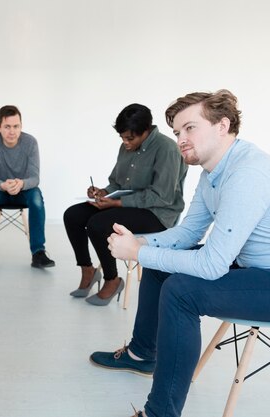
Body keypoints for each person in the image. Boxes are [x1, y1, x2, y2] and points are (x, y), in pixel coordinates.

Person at [91, 90, 270, 417]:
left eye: (190, 128)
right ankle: (142, 354)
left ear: (222, 126)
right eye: (177, 132)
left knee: (182, 292)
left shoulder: (248, 175)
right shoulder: (212, 173)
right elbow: (186, 234)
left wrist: (139, 254)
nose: (181, 139)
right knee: (162, 269)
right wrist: (140, 243)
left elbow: (212, 265)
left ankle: (159, 414)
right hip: (263, 268)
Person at [63, 104, 187, 306]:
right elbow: (118, 183)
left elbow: (162, 197)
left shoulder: (167, 149)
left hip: (157, 214)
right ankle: (88, 270)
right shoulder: (126, 147)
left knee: (98, 224)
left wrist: (117, 202)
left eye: (130, 138)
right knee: (72, 215)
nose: (125, 143)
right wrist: (103, 193)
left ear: (146, 131)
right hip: (127, 206)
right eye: (122, 138)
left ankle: (112, 280)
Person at [0, 105, 55, 268]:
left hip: (23, 190)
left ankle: (38, 252)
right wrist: (3, 185)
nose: (12, 131)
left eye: (16, 126)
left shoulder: (30, 142)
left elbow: (35, 177)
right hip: (0, 190)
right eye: (7, 127)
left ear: (21, 126)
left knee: (37, 196)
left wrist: (21, 184)